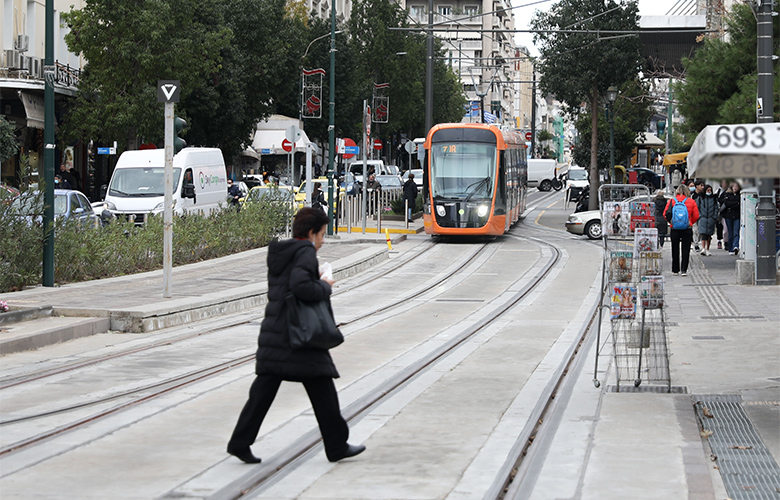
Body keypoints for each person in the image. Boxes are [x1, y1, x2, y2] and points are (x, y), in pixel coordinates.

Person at [227, 207, 365, 464]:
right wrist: (324, 285)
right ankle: (336, 445)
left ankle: (239, 442)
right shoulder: (305, 253)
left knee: (262, 393)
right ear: (311, 233)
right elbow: (301, 286)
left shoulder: (283, 252)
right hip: (299, 336)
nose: (323, 241)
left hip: (276, 333)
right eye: (322, 235)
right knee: (323, 389)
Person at [663, 184, 700, 276]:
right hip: (687, 228)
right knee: (686, 249)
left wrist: (672, 222)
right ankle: (684, 270)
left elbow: (665, 214)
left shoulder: (672, 201)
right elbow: (696, 216)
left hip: (674, 228)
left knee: (675, 249)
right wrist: (690, 222)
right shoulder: (691, 201)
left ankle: (675, 270)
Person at [719, 181, 741, 254]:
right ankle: (730, 248)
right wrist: (736, 203)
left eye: (736, 186)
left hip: (737, 216)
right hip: (728, 216)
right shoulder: (727, 194)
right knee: (730, 232)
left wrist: (733, 204)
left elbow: (739, 204)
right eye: (734, 186)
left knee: (736, 232)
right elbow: (727, 203)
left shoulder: (740, 195)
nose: (735, 188)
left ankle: (735, 246)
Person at [696, 184, 718, 256]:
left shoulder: (714, 199)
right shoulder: (700, 198)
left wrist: (714, 217)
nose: (709, 191)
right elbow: (697, 207)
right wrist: (700, 216)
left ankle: (707, 248)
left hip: (711, 218)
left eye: (710, 190)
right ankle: (703, 248)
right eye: (708, 190)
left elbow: (716, 208)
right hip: (703, 218)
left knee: (709, 235)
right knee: (703, 234)